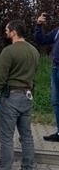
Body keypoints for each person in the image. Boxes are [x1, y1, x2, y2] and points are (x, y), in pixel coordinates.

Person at [0, 20, 40, 170]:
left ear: (14, 32)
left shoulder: (9, 51)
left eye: (7, 30)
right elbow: (34, 75)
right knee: (26, 135)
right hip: (27, 96)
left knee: (7, 137)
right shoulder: (34, 51)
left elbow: (1, 76)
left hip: (11, 97)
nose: (5, 33)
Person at [34, 12, 59, 142]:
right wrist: (39, 26)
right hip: (55, 69)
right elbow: (41, 40)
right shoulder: (57, 31)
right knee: (56, 103)